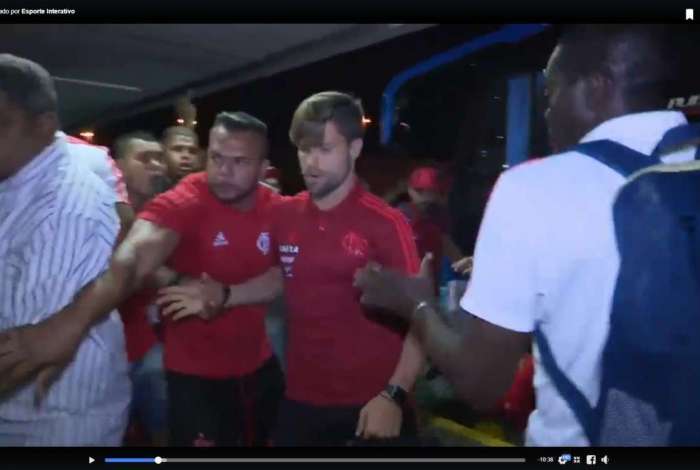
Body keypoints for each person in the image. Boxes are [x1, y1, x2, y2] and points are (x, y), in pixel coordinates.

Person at [353, 24, 692, 446]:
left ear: (598, 87)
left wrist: (414, 302)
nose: (546, 112)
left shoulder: (534, 187)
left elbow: (481, 385)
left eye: (551, 94)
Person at [159, 91, 425, 445]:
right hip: (301, 401)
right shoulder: (285, 214)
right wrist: (225, 294)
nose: (311, 162)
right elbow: (283, 276)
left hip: (374, 406)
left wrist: (395, 394)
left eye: (324, 150)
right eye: (304, 149)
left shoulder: (386, 223)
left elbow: (422, 320)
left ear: (355, 149)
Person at [0, 54, 130, 445]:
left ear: (44, 125)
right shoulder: (17, 175)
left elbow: (18, 352)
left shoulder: (67, 206)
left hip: (54, 420)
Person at [112, 131, 170, 446]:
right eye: (144, 159)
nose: (156, 166)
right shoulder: (96, 214)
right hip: (99, 352)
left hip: (145, 348)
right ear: (117, 166)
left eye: (159, 158)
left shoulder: (165, 217)